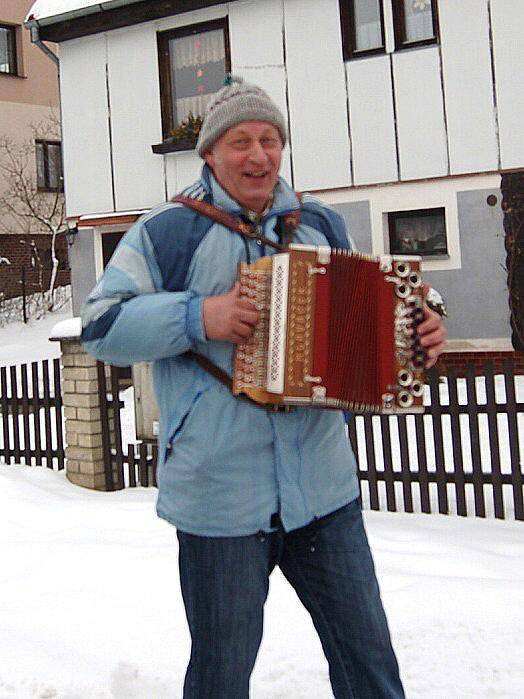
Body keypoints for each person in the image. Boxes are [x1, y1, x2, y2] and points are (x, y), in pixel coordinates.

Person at [81, 77, 447, 698]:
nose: (258, 155)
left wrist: (423, 328)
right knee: (222, 675)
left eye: (270, 140)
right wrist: (200, 316)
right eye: (241, 141)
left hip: (323, 494)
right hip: (220, 498)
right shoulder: (168, 232)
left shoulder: (321, 224)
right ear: (210, 154)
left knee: (370, 665)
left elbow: (377, 308)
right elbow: (101, 325)